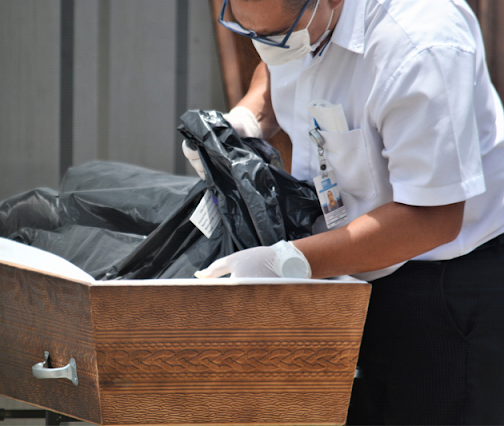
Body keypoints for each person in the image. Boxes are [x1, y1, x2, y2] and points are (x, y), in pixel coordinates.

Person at [185, 0, 504, 424]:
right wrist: (249, 117)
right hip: (344, 265)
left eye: (278, 35)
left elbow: (433, 218)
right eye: (249, 32)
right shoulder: (303, 21)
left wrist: (286, 261)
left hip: (441, 286)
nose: (263, 45)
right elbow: (278, 60)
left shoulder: (421, 46)